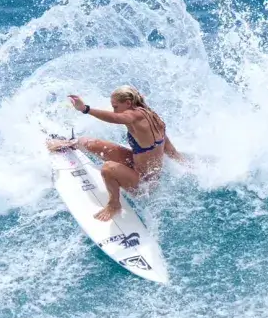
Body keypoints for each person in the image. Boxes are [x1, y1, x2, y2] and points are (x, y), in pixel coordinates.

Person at [47, 85, 185, 221]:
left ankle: (114, 204)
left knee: (108, 168)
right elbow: (170, 149)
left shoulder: (133, 116)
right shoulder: (152, 116)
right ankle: (68, 143)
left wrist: (85, 109)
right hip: (137, 164)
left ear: (128, 103)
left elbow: (116, 119)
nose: (114, 110)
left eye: (116, 107)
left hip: (144, 183)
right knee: (88, 142)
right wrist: (188, 165)